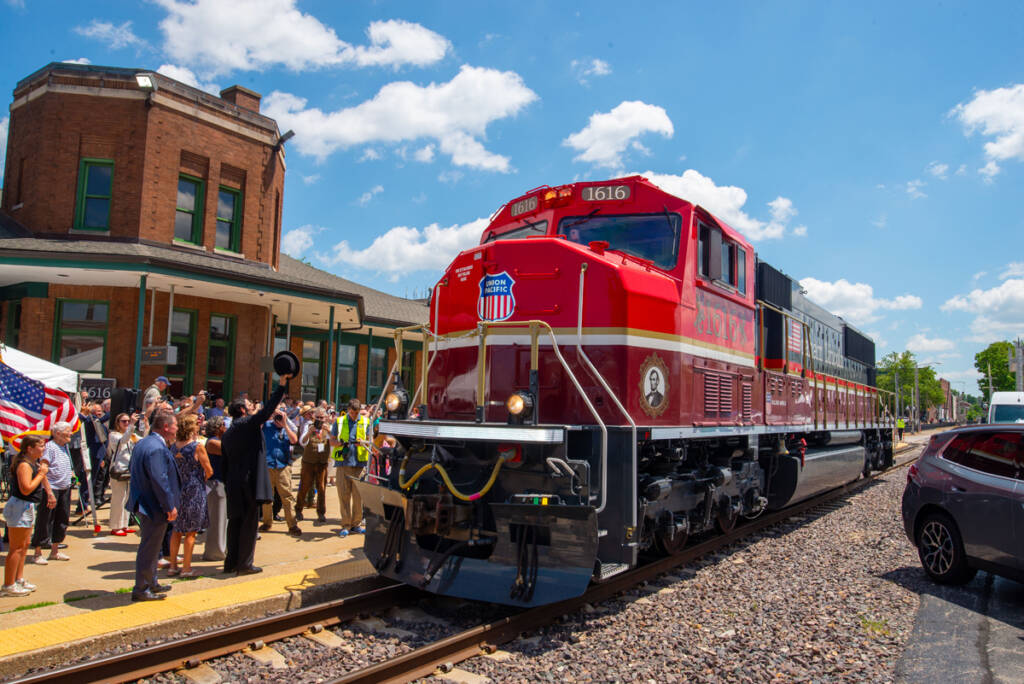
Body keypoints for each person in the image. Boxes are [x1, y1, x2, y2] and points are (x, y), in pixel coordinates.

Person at [220, 373, 293, 576]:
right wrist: (282, 385)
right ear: (242, 410)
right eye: (249, 405)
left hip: (233, 483)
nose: (253, 407)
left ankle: (231, 562)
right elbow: (268, 409)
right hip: (248, 482)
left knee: (234, 521)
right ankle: (245, 564)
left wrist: (227, 483)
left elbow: (224, 464)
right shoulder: (247, 424)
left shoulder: (227, 433)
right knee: (250, 523)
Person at [126, 411, 180, 601]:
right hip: (154, 505)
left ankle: (152, 581)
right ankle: (141, 588)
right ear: (166, 427)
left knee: (153, 546)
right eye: (175, 426)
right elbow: (160, 479)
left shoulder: (144, 442)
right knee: (149, 548)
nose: (177, 430)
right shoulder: (156, 448)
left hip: (145, 503)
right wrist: (169, 505)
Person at [167, 414, 213, 577]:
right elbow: (209, 470)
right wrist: (202, 478)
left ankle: (173, 566)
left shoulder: (173, 446)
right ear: (193, 428)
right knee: (191, 531)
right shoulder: (196, 446)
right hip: (193, 490)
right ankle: (186, 568)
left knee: (176, 530)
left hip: (177, 489)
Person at [3, 436, 49, 596]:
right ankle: (9, 584)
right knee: (16, 548)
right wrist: (41, 474)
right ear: (30, 448)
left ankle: (18, 579)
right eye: (41, 446)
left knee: (24, 546)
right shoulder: (24, 465)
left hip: (27, 507)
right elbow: (26, 489)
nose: (43, 449)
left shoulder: (32, 463)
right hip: (19, 507)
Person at [30, 422, 74, 564]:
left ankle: (54, 551)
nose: (71, 434)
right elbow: (43, 469)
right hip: (51, 488)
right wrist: (49, 492)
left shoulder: (65, 446)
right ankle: (37, 552)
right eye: (68, 431)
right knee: (45, 520)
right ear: (58, 433)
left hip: (64, 488)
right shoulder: (50, 447)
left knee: (62, 519)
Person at [329, 398, 371, 537]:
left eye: (357, 413)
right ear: (348, 410)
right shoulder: (339, 421)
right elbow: (332, 440)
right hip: (343, 463)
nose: (355, 415)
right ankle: (346, 525)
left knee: (358, 496)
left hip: (359, 464)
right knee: (344, 495)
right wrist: (340, 443)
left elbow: (370, 441)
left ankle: (356, 524)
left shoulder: (366, 422)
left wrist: (363, 443)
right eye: (353, 413)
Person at [260, 407, 300, 536]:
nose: (278, 419)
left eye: (280, 416)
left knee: (287, 496)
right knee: (267, 497)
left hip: (283, 466)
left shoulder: (287, 427)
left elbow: (294, 440)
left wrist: (285, 424)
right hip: (267, 465)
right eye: (277, 417)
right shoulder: (266, 426)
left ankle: (292, 525)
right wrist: (269, 414)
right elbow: (256, 425)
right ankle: (267, 522)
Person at [106, 413, 141, 536]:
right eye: (124, 421)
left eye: (128, 421)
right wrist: (132, 425)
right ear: (118, 423)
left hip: (129, 469)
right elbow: (123, 440)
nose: (126, 423)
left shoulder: (131, 434)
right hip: (118, 469)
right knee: (118, 499)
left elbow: (142, 440)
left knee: (127, 499)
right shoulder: (113, 435)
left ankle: (124, 524)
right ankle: (115, 526)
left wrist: (146, 425)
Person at [295, 409, 330, 523]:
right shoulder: (309, 426)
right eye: (318, 417)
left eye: (322, 417)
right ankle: (298, 509)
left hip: (322, 463)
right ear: (313, 417)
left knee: (322, 488)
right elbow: (302, 442)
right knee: (304, 486)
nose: (320, 420)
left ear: (325, 418)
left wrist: (329, 431)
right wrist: (309, 432)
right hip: (308, 462)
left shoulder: (329, 427)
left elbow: (335, 440)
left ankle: (321, 512)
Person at [202, 417, 228, 562]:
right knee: (216, 519)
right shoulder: (212, 442)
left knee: (222, 519)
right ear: (218, 427)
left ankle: (220, 549)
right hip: (215, 484)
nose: (226, 427)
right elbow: (230, 451)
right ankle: (214, 552)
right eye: (224, 425)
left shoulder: (218, 441)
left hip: (221, 482)